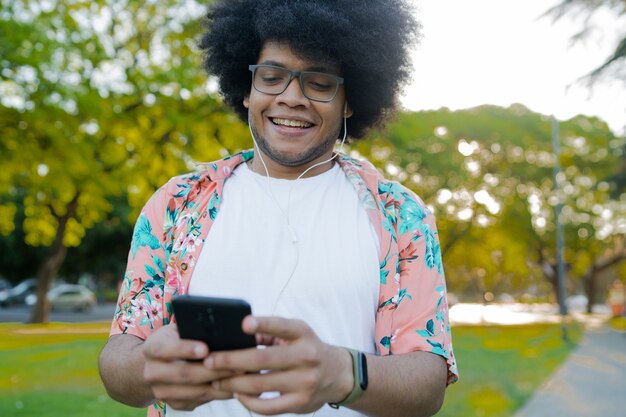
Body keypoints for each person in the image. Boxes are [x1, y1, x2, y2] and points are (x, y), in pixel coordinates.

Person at [98, 1, 458, 417]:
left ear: (350, 100)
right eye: (271, 78)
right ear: (247, 91)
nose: (291, 98)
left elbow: (428, 385)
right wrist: (149, 367)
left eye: (319, 83)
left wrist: (343, 373)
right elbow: (117, 361)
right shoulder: (177, 203)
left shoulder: (400, 215)